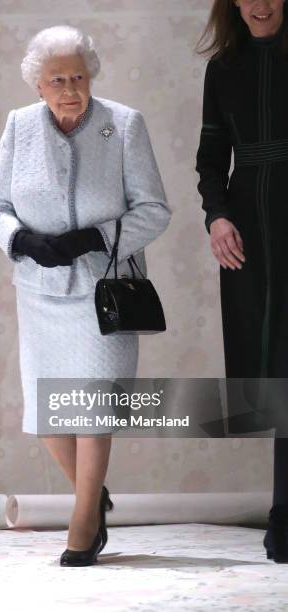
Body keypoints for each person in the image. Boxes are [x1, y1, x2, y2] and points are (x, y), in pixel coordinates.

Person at [0, 25, 171, 566]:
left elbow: (154, 209)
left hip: (102, 292)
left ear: (91, 78)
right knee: (47, 414)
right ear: (38, 87)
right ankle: (95, 496)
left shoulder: (124, 124)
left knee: (92, 409)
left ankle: (84, 519)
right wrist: (23, 240)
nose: (69, 88)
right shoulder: (19, 127)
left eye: (78, 77)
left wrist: (97, 237)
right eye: (56, 79)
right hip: (40, 292)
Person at [196, 0, 288, 562]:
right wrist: (217, 215)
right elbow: (211, 156)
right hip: (251, 233)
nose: (259, 4)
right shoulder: (223, 67)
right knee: (276, 370)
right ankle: (283, 512)